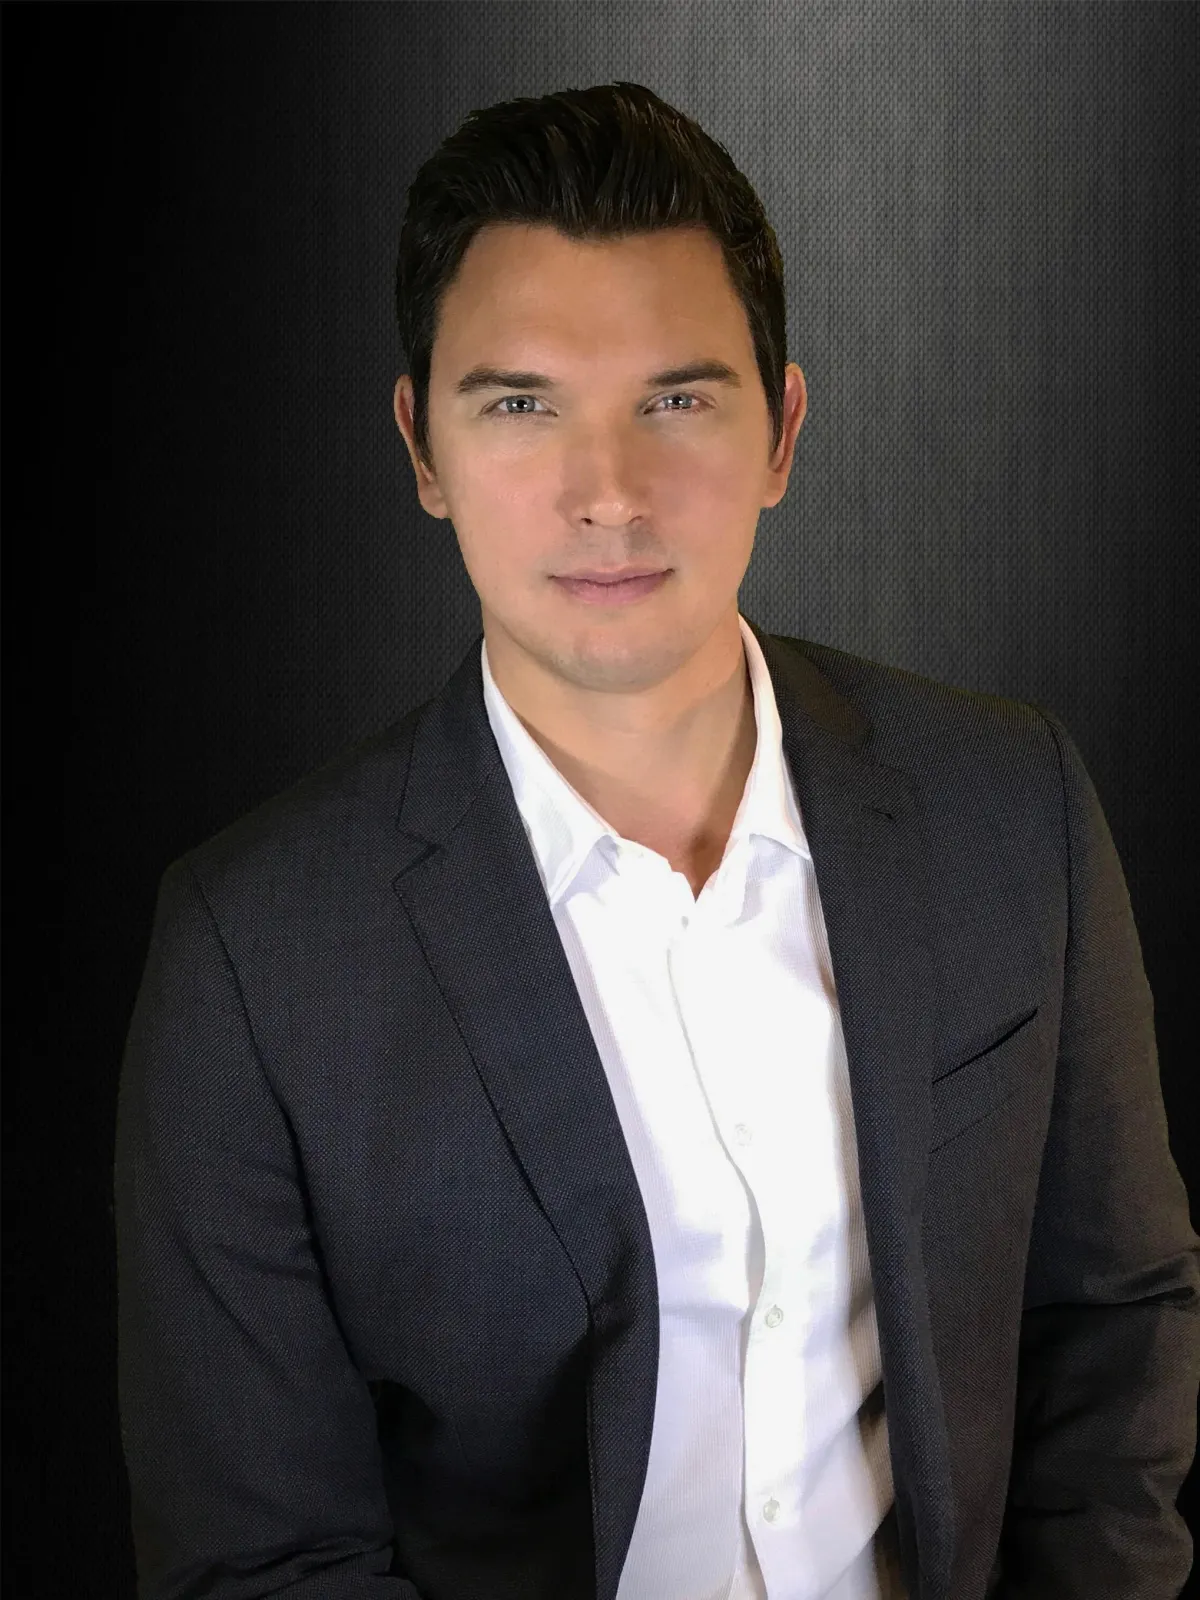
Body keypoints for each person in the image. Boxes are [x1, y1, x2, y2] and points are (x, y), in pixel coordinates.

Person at [113, 81, 1199, 1600]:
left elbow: (1115, 1318)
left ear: (783, 431)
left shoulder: (1009, 803)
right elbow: (265, 1557)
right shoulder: (257, 953)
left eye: (678, 401)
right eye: (520, 405)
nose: (608, 493)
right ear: (421, 448)